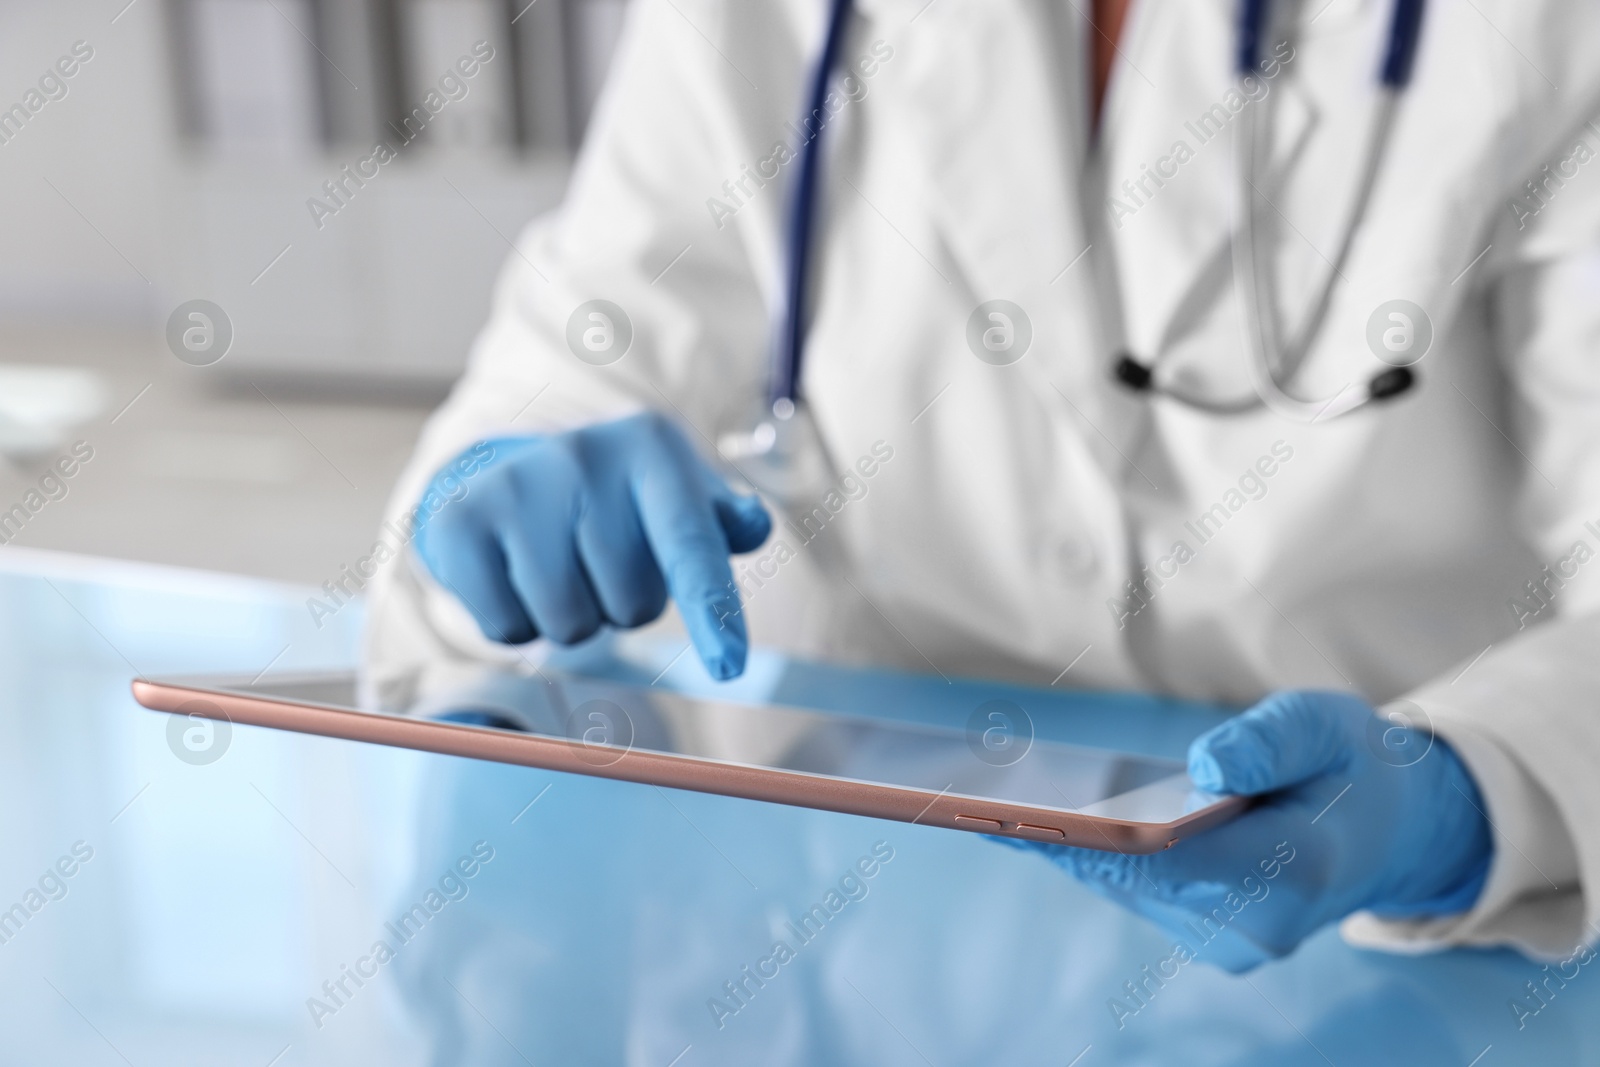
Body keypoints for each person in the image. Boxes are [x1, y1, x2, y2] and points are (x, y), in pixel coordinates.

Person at [367, 0, 1600, 970]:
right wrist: (501, 484)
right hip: (863, 926)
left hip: (1408, 947)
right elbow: (586, 349)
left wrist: (1463, 798)